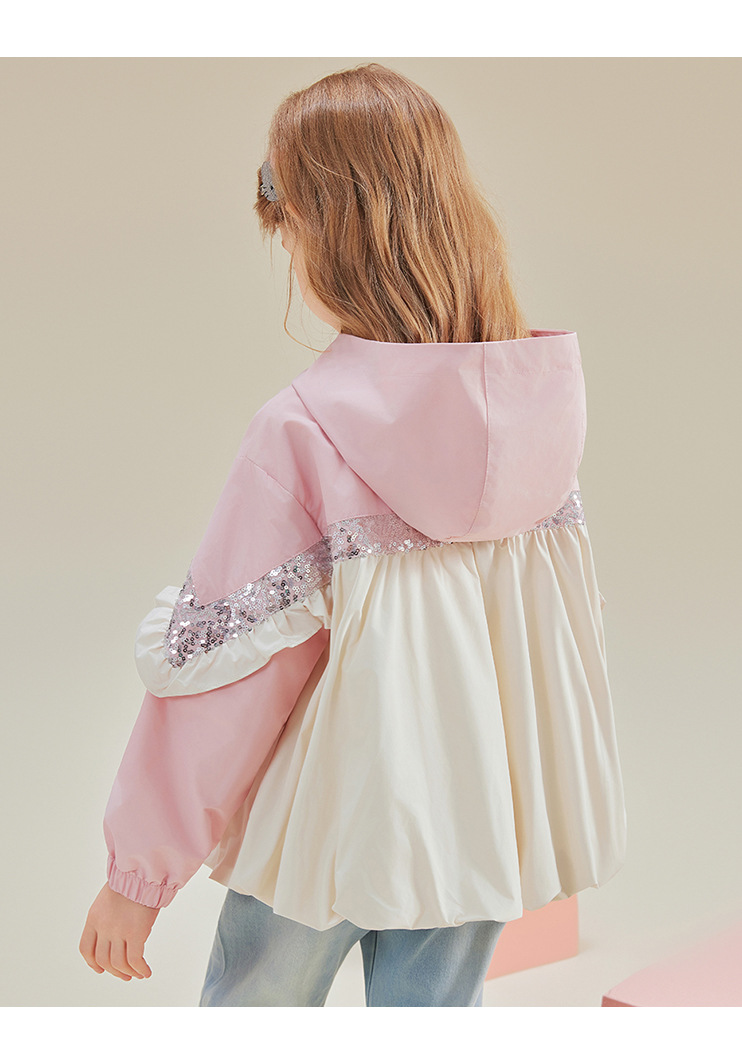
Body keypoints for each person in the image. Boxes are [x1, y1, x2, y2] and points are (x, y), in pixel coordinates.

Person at [79, 63, 627, 1007]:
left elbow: (231, 678)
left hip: (329, 827)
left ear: (320, 230)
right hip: (475, 823)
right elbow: (557, 643)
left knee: (254, 1011)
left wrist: (139, 873)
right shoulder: (542, 410)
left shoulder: (306, 431)